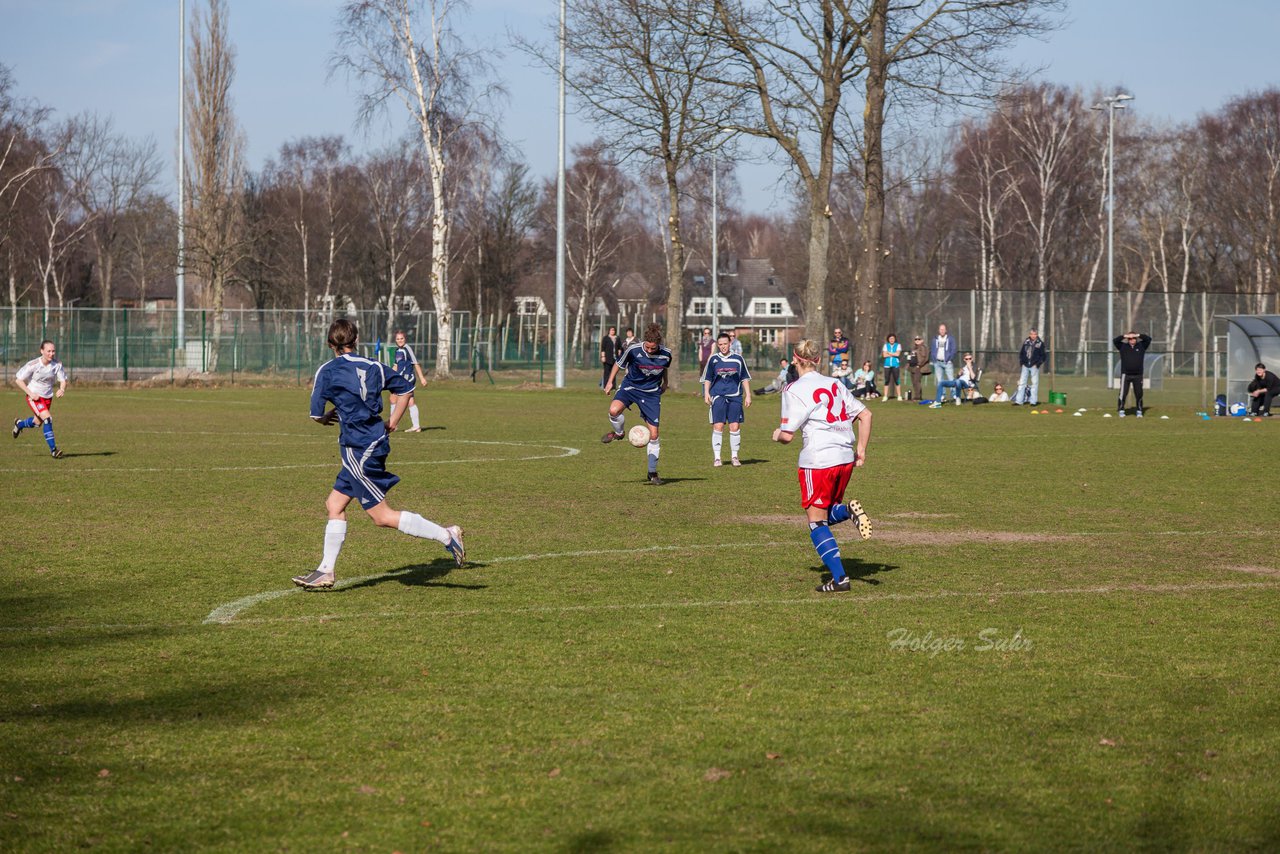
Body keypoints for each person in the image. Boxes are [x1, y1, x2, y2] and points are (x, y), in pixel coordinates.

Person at [292, 319, 464, 590]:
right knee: (334, 505)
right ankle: (326, 570)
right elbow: (407, 388)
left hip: (361, 449)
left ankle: (447, 535)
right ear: (356, 340)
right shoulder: (374, 366)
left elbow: (314, 414)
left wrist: (325, 417)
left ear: (329, 344)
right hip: (367, 444)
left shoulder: (327, 370)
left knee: (381, 516)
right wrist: (394, 421)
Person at [772, 339, 873, 593]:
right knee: (825, 513)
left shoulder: (793, 389)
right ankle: (847, 511)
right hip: (844, 458)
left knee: (816, 523)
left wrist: (776, 435)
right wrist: (860, 449)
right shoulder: (835, 383)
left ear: (795, 360)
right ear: (818, 360)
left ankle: (840, 579)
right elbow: (866, 415)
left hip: (818, 461)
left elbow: (787, 436)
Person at [602, 322, 672, 485]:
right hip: (630, 387)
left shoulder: (666, 354)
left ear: (658, 345)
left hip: (651, 394)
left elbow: (665, 368)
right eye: (647, 347)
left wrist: (665, 383)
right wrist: (610, 382)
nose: (649, 350)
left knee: (654, 434)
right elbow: (618, 365)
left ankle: (652, 473)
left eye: (652, 348)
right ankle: (619, 433)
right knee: (613, 411)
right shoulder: (633, 350)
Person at [702, 332, 752, 467]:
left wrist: (748, 395)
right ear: (717, 345)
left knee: (734, 426)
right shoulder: (713, 360)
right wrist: (706, 393)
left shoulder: (738, 359)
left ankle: (734, 457)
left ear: (730, 344)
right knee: (718, 426)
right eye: (720, 344)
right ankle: (717, 458)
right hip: (718, 396)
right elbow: (707, 378)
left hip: (735, 396)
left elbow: (744, 378)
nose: (723, 347)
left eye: (725, 344)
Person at [11, 339, 68, 458]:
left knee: (37, 422)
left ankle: (19, 424)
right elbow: (18, 380)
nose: (51, 354)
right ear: (41, 351)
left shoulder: (57, 364)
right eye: (48, 351)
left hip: (47, 398)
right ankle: (54, 450)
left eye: (53, 351)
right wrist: (30, 393)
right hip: (35, 397)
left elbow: (63, 380)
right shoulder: (33, 364)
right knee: (48, 419)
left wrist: (62, 389)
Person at [390, 330, 429, 432]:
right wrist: (389, 376)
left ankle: (392, 424)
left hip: (407, 378)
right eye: (398, 339)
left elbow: (415, 363)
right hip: (400, 378)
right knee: (409, 401)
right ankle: (416, 426)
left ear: (405, 339)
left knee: (393, 398)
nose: (400, 340)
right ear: (395, 340)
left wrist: (422, 378)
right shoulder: (397, 350)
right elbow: (396, 365)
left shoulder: (407, 349)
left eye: (401, 338)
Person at [1114, 330, 1152, 417]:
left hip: (1138, 375)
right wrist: (1125, 336)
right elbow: (1115, 341)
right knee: (1123, 393)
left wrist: (1138, 334)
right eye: (1130, 338)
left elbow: (1148, 339)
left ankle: (1139, 411)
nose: (1132, 340)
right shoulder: (1123, 346)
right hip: (1125, 375)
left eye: (1134, 338)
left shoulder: (1141, 346)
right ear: (1128, 339)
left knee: (1139, 393)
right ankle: (1121, 410)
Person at [1012, 328, 1046, 406]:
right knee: (1022, 383)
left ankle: (1033, 402)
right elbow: (1021, 353)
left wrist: (1037, 364)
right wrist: (1022, 363)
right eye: (1032, 334)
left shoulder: (1040, 343)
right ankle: (1019, 401)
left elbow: (1043, 356)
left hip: (1034, 366)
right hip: (1025, 365)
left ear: (1037, 335)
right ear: (1029, 334)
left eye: (1035, 334)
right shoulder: (1026, 342)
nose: (1033, 336)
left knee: (1034, 383)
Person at [931, 324, 956, 397]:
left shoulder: (950, 338)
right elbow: (932, 350)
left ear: (946, 330)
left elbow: (953, 350)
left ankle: (954, 395)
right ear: (939, 330)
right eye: (940, 329)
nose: (942, 331)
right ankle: (942, 395)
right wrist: (934, 359)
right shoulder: (935, 339)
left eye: (943, 329)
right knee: (940, 380)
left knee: (951, 379)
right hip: (937, 363)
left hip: (947, 363)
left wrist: (949, 359)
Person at [907, 334, 930, 401]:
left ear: (922, 340)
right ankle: (917, 396)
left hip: (920, 367)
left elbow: (925, 358)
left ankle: (917, 397)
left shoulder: (923, 347)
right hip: (912, 367)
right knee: (914, 382)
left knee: (917, 381)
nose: (917, 340)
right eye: (916, 339)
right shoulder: (914, 348)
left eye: (919, 339)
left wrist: (919, 365)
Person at [880, 333, 902, 400]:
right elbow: (884, 355)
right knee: (887, 380)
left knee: (897, 380)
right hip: (887, 365)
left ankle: (899, 396)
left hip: (895, 365)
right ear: (888, 339)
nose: (891, 340)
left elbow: (898, 354)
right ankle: (885, 396)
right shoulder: (885, 346)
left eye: (893, 338)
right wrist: (893, 354)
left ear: (895, 339)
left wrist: (889, 353)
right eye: (890, 338)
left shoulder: (898, 345)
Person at [600, 326, 620, 390]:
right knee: (606, 373)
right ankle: (605, 386)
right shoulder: (606, 338)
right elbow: (603, 348)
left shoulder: (617, 338)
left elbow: (619, 348)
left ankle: (613, 387)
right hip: (607, 358)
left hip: (615, 358)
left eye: (613, 330)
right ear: (609, 331)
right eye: (611, 330)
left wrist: (619, 356)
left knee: (613, 373)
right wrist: (603, 356)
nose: (612, 331)